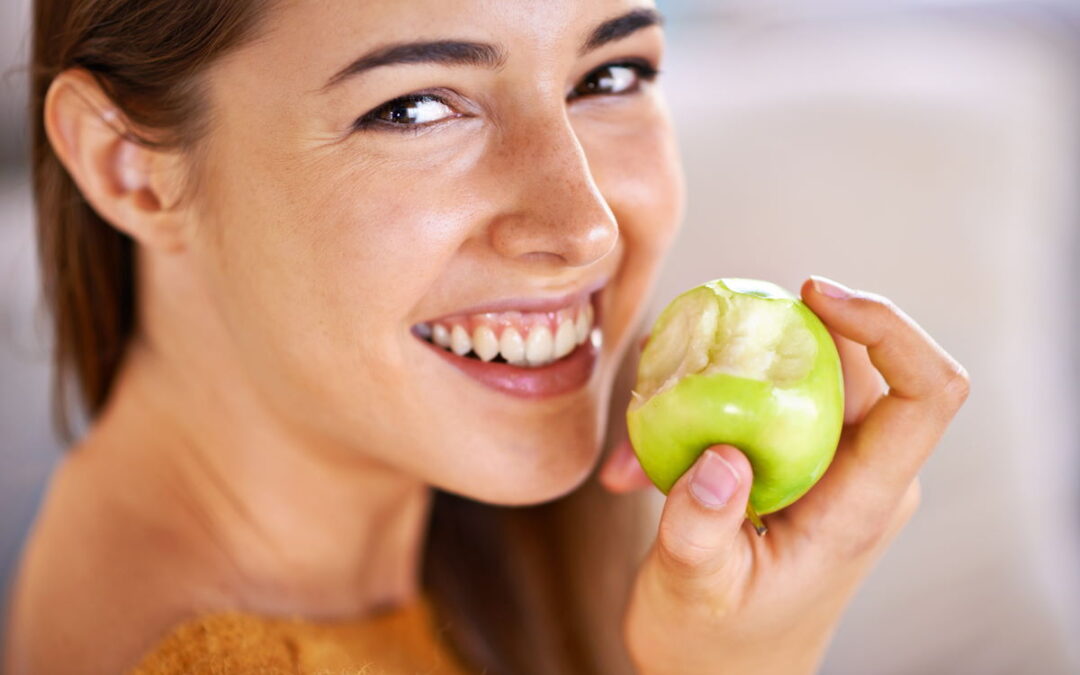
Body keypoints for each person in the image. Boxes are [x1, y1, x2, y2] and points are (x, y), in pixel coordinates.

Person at [1, 1, 970, 673]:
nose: (583, 226)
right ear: (128, 168)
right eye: (416, 107)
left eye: (610, 72)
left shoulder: (444, 512)